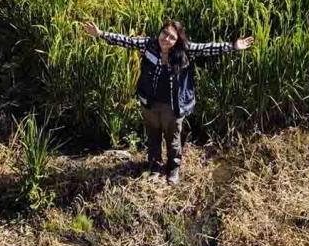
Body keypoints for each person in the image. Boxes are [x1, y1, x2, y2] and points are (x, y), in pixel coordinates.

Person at [81, 19, 254, 185]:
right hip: (150, 102)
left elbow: (208, 48)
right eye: (165, 33)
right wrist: (100, 34)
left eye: (172, 37)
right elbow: (126, 41)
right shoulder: (149, 45)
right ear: (160, 33)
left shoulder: (186, 51)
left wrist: (233, 46)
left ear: (178, 40)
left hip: (173, 106)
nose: (166, 39)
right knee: (153, 136)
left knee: (173, 140)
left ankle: (173, 169)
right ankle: (154, 167)